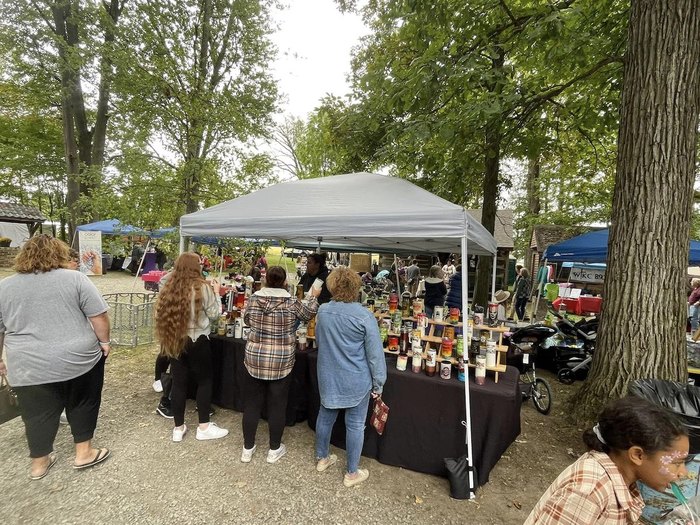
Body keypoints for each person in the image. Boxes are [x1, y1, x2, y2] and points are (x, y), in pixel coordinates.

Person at [0, 235, 112, 479]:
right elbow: (99, 315)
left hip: (28, 364)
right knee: (83, 402)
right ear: (58, 254)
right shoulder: (75, 279)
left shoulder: (4, 287)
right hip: (78, 359)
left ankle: (39, 464)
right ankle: (84, 453)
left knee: (36, 412)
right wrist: (105, 342)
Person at [524, 396, 688, 524]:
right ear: (637, 455)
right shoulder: (589, 490)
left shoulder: (623, 478)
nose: (684, 473)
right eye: (676, 463)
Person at [314, 267, 387, 487]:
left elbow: (319, 340)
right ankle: (351, 472)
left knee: (325, 417)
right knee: (355, 425)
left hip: (328, 374)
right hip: (356, 379)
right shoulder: (364, 315)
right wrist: (379, 382)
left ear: (332, 285)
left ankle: (322, 458)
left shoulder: (323, 311)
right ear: (356, 288)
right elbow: (375, 354)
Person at [241, 266, 320, 463]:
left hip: (255, 357)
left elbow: (247, 320)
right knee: (277, 405)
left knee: (252, 404)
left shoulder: (254, 299)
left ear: (266, 279)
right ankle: (274, 449)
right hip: (281, 359)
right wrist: (313, 296)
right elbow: (309, 313)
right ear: (285, 281)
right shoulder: (291, 302)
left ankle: (247, 448)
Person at [154, 252, 228, 442]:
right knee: (205, 381)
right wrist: (217, 293)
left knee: (179, 383)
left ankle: (178, 428)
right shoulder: (202, 287)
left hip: (176, 339)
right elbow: (214, 314)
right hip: (199, 340)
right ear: (196, 266)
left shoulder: (169, 285)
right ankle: (203, 426)